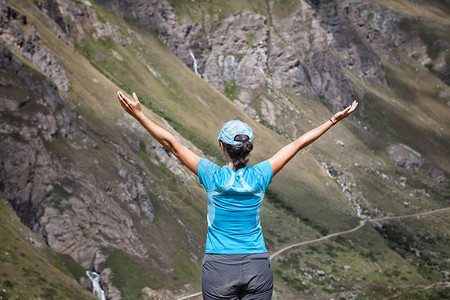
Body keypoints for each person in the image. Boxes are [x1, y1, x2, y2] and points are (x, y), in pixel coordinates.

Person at [117, 91, 358, 299]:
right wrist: (331, 121)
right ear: (248, 147)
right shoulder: (261, 174)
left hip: (219, 268)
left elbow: (171, 143)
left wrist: (139, 115)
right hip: (257, 266)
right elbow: (297, 144)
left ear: (222, 146)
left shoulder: (212, 175)